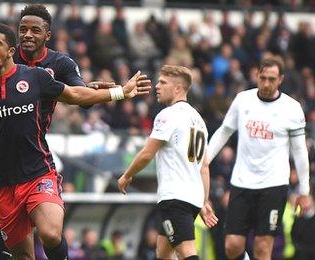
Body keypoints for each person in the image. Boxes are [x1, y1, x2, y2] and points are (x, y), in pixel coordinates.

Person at [0, 23, 150, 259]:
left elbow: (74, 94)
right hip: (4, 185)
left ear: (12, 51)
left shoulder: (35, 77)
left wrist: (120, 92)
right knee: (14, 247)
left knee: (51, 233)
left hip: (38, 173)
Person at [205, 57, 313, 260]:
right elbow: (224, 131)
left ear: (280, 79)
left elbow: (299, 151)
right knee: (232, 246)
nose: (266, 84)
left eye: (271, 79)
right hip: (242, 182)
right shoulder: (243, 100)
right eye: (262, 78)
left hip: (273, 185)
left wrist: (304, 190)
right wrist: (205, 160)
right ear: (256, 76)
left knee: (263, 248)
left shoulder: (291, 109)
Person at [117, 65, 218, 260]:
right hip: (193, 197)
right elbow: (204, 166)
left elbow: (147, 153)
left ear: (178, 88)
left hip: (175, 197)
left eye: (163, 82)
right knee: (163, 253)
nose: (157, 86)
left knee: (186, 252)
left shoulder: (168, 115)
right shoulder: (199, 121)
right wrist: (204, 201)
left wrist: (126, 175)